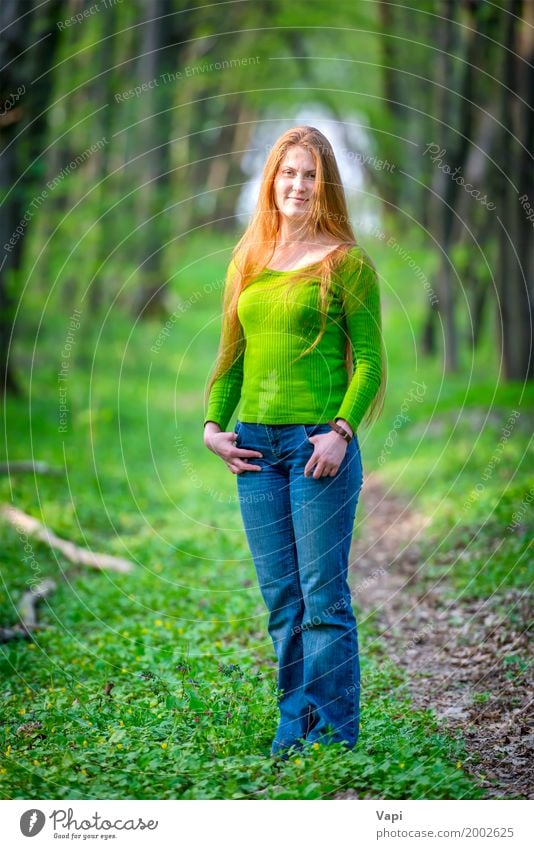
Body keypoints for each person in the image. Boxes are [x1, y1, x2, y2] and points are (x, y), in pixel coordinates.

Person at [203, 126, 385, 758]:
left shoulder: (347, 262)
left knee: (323, 598)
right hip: (254, 452)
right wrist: (211, 429)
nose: (299, 185)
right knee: (283, 599)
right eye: (289, 173)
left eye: (311, 175)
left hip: (318, 448)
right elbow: (231, 360)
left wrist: (340, 432)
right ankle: (293, 725)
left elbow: (369, 364)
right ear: (272, 180)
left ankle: (333, 735)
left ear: (325, 184)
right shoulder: (247, 261)